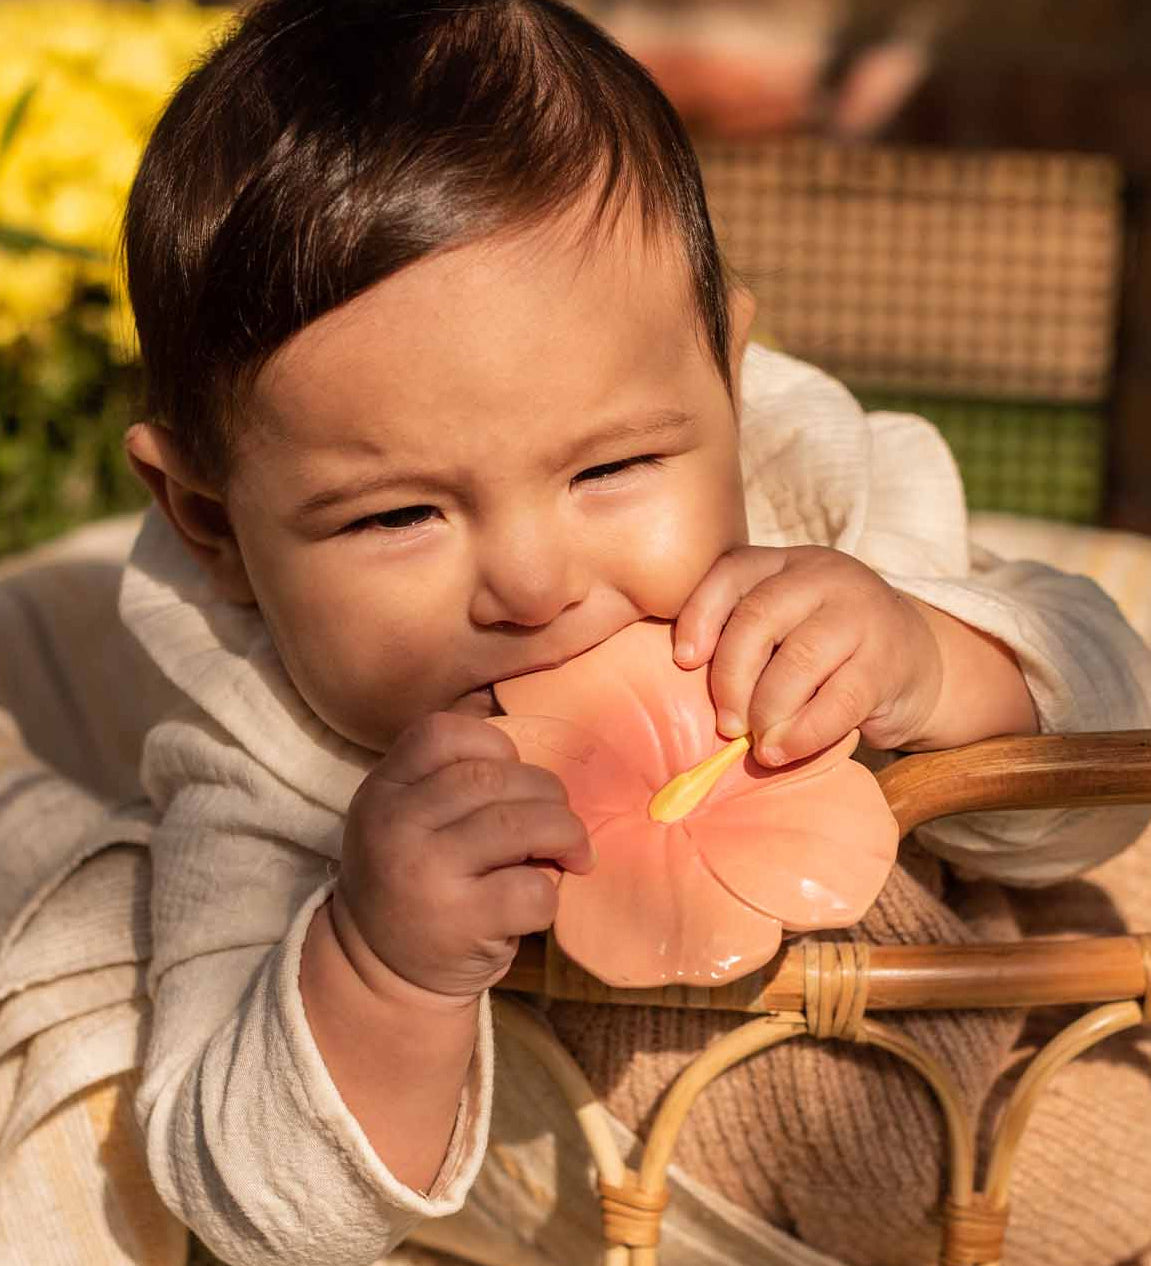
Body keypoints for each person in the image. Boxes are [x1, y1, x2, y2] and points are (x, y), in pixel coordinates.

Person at [15, 0, 1148, 1263]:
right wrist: (377, 972)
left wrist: (943, 663)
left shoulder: (831, 527)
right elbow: (248, 1204)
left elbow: (1110, 761)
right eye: (397, 515)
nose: (535, 583)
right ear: (210, 521)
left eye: (610, 468)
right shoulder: (273, 777)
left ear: (723, 377)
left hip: (1043, 1112)